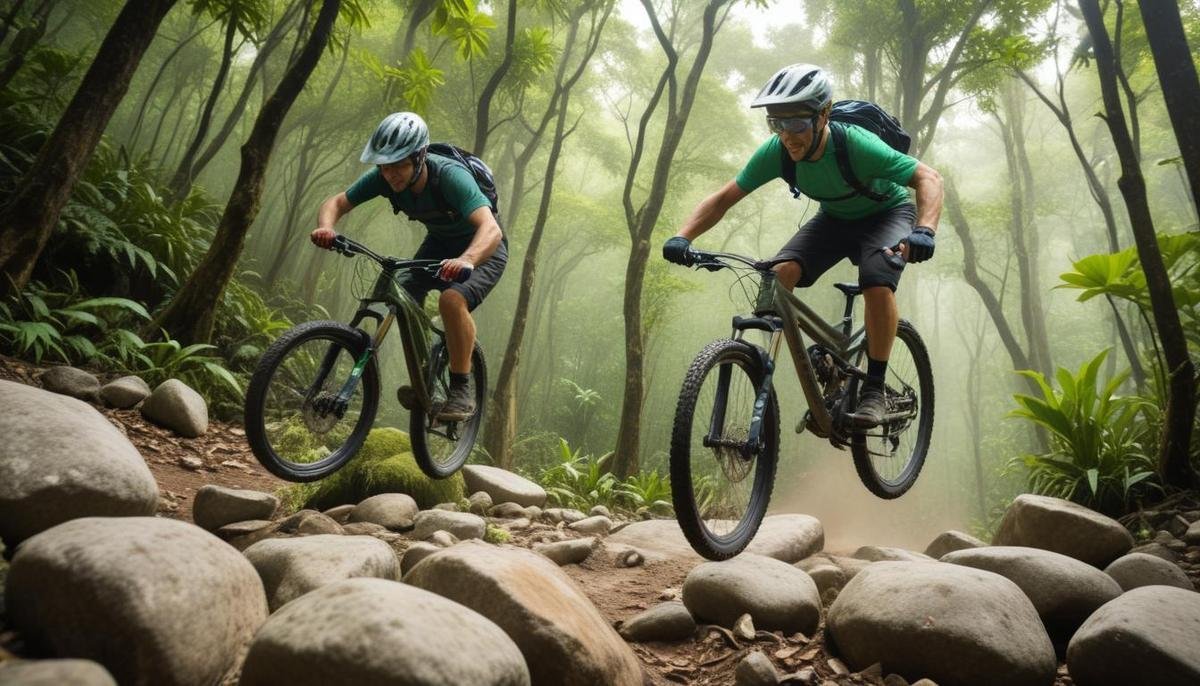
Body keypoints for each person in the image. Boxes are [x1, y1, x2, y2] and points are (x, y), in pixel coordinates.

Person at [662, 64, 943, 427]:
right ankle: (800, 364)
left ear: (823, 115)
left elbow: (927, 177)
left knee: (875, 279)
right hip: (835, 219)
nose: (787, 135)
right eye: (776, 124)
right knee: (778, 275)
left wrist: (925, 230)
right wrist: (684, 236)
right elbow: (724, 197)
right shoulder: (775, 152)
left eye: (796, 123)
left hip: (886, 213)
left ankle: (874, 388)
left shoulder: (854, 144)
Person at [311, 112, 505, 421]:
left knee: (451, 300)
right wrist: (326, 228)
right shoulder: (384, 178)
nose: (391, 175)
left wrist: (467, 259)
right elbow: (336, 203)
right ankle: (426, 376)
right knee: (399, 294)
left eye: (399, 165)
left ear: (420, 158)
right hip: (440, 245)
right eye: (385, 166)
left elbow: (491, 229)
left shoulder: (451, 177)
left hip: (485, 248)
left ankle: (460, 388)